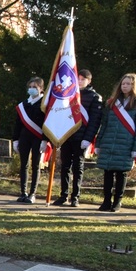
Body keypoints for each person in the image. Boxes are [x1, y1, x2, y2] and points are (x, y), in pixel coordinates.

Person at [91, 73, 136, 212]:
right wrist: (98, 143)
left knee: (121, 174)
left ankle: (117, 202)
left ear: (134, 86)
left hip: (126, 144)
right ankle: (106, 201)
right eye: (123, 84)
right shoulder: (111, 103)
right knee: (107, 172)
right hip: (108, 142)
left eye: (128, 84)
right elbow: (104, 124)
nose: (125, 86)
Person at [53, 69, 103, 207]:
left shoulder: (95, 97)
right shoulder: (68, 94)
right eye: (78, 78)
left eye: (83, 79)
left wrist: (88, 139)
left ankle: (75, 196)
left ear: (89, 81)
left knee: (77, 167)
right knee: (65, 167)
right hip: (67, 135)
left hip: (82, 138)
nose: (80, 81)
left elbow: (94, 121)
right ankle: (63, 195)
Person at [11, 76, 47, 203]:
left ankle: (33, 193)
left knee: (36, 165)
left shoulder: (44, 104)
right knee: (24, 165)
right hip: (24, 137)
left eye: (35, 87)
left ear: (41, 89)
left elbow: (46, 123)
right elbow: (18, 123)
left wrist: (45, 140)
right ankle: (23, 192)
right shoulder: (23, 104)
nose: (32, 90)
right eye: (30, 87)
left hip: (38, 138)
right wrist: (15, 139)